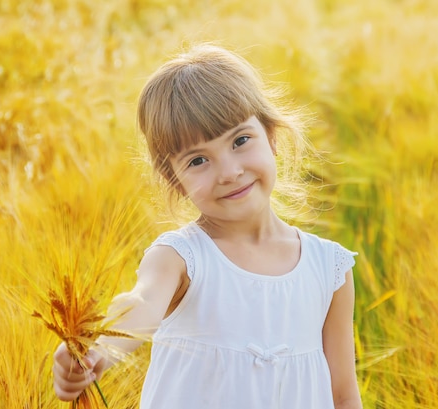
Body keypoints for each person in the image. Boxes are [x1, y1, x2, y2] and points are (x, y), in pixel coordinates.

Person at [52, 44, 363, 409]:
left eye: (240, 140)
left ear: (272, 137)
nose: (229, 172)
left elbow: (342, 394)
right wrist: (101, 349)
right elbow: (141, 303)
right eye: (198, 160)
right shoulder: (181, 258)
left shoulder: (329, 269)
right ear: (175, 180)